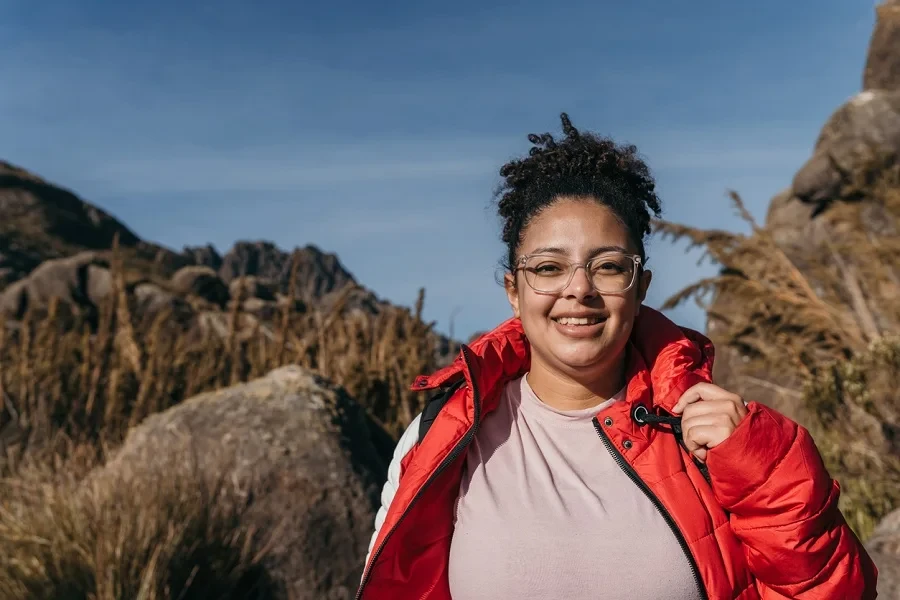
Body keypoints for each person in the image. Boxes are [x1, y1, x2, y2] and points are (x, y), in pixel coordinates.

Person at [356, 114, 878, 600]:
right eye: (547, 267)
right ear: (514, 291)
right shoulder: (443, 436)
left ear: (640, 286)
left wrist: (761, 471)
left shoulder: (717, 439)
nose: (578, 289)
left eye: (607, 266)